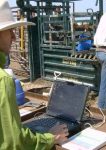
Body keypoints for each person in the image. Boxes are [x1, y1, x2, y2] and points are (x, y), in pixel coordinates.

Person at [0, 0, 68, 149]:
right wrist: (50, 138)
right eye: (9, 31)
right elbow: (13, 141)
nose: (14, 37)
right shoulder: (3, 79)